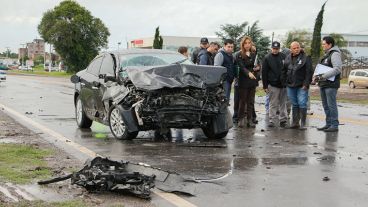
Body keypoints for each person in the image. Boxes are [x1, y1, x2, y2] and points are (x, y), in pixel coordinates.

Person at [314, 36, 342, 132]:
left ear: (330, 44)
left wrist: (323, 76)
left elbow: (337, 69)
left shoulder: (335, 54)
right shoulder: (327, 54)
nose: (322, 46)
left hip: (331, 84)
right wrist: (317, 76)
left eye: (324, 44)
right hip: (323, 84)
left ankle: (334, 125)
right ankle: (328, 123)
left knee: (331, 105)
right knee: (326, 105)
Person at [282, 41, 312, 129]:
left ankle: (303, 123)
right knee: (294, 104)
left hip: (301, 85)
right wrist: (284, 82)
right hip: (290, 85)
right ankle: (295, 123)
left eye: (298, 47)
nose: (296, 49)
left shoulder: (306, 58)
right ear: (291, 49)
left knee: (302, 103)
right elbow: (283, 71)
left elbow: (309, 72)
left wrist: (306, 84)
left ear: (300, 47)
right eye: (294, 48)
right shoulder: (287, 58)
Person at [234, 36, 260, 128]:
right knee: (242, 101)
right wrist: (248, 73)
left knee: (251, 101)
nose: (248, 45)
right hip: (243, 80)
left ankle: (250, 119)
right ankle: (240, 119)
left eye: (249, 43)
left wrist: (257, 68)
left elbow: (256, 65)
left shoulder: (253, 54)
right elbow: (241, 67)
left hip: (252, 81)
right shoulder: (239, 54)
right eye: (246, 43)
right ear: (243, 44)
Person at [262, 41, 288, 128]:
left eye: (277, 49)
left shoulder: (284, 56)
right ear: (271, 48)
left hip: (283, 84)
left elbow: (287, 69)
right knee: (273, 103)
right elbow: (264, 72)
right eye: (274, 48)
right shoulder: (267, 58)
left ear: (279, 49)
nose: (275, 50)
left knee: (283, 103)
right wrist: (265, 85)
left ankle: (283, 120)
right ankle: (272, 120)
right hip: (272, 84)